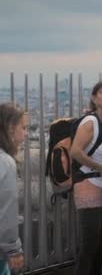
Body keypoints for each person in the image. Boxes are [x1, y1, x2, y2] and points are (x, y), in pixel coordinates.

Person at [70, 79, 102, 275]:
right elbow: (75, 151)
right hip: (88, 184)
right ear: (94, 98)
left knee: (101, 244)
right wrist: (101, 167)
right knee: (90, 244)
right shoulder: (90, 121)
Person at [0, 103, 27, 275]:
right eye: (23, 127)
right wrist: (13, 249)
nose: (26, 133)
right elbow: (6, 210)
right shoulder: (5, 162)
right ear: (10, 129)